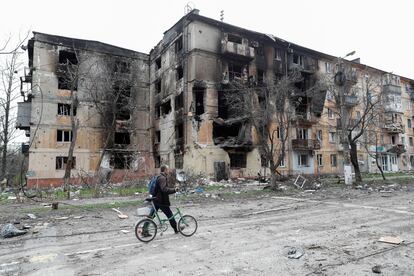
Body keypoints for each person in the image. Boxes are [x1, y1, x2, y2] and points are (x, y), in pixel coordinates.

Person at [146, 164, 179, 235]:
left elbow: (161, 188)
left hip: (156, 200)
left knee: (151, 216)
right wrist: (174, 190)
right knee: (170, 215)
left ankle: (144, 230)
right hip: (161, 201)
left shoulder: (159, 177)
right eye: (168, 169)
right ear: (165, 170)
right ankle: (176, 230)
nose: (169, 171)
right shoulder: (162, 178)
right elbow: (164, 189)